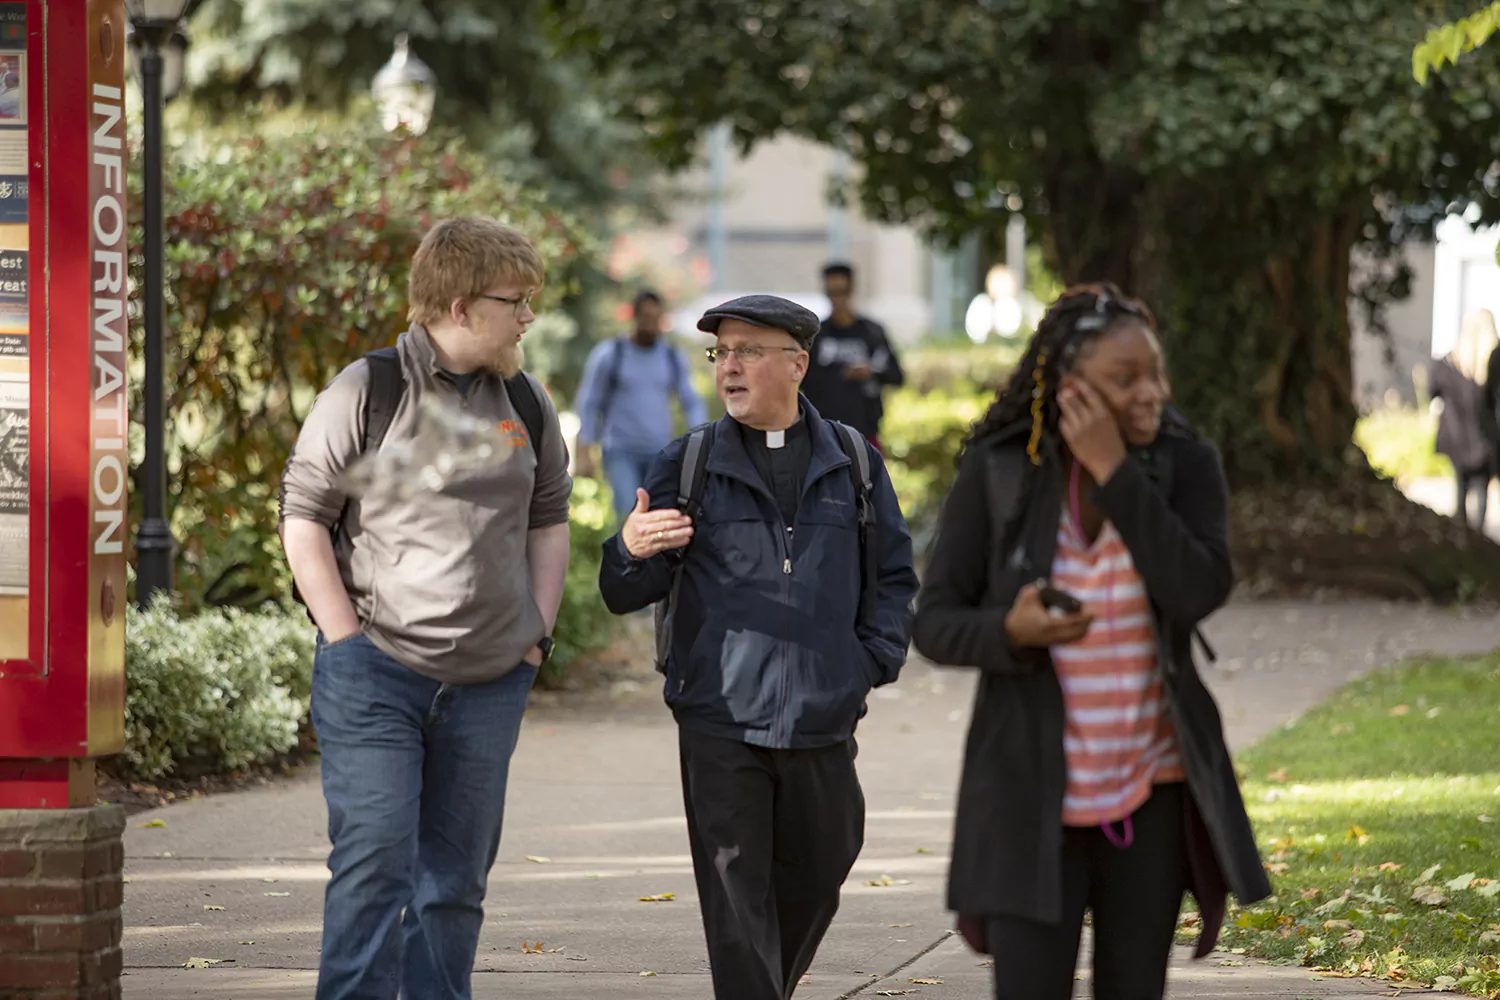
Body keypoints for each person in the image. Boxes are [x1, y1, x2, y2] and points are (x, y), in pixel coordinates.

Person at [912, 284, 1270, 1000]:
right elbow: (933, 621)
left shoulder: (1182, 462)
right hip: (1026, 797)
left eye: (1156, 374)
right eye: (1125, 378)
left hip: (1153, 794)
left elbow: (1199, 587)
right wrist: (1007, 630)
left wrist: (1114, 470)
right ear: (1071, 386)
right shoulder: (1001, 469)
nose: (1151, 394)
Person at [279, 217, 572, 1000]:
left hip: (489, 683)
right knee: (375, 867)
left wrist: (535, 636)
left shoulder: (526, 401)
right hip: (376, 675)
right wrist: (345, 642)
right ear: (460, 305)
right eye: (516, 301)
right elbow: (303, 516)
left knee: (453, 886)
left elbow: (548, 519)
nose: (527, 317)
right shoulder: (368, 389)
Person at [598, 294, 919, 1000]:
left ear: (797, 364)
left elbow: (894, 578)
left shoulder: (853, 463)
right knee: (737, 908)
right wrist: (626, 549)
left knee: (822, 869)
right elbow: (626, 589)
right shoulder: (688, 464)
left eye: (748, 351)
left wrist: (867, 664)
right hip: (719, 719)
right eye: (721, 353)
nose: (729, 367)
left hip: (823, 716)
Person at [573, 289, 708, 521]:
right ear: (634, 317)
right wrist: (586, 445)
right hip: (620, 451)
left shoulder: (671, 357)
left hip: (659, 451)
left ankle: (652, 559)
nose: (649, 325)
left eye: (655, 318)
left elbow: (691, 401)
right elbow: (590, 401)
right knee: (628, 512)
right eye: (645, 317)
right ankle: (626, 558)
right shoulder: (611, 354)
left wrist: (701, 438)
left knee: (658, 516)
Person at [800, 262, 905, 448]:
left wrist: (870, 372)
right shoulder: (816, 336)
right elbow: (800, 380)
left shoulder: (872, 333)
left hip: (865, 432)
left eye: (842, 292)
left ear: (852, 290)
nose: (837, 299)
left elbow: (897, 376)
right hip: (822, 433)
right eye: (832, 293)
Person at [1422, 310, 1498, 531]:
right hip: (1484, 436)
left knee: (1461, 488)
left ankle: (1463, 533)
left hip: (1456, 437)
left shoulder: (1448, 364)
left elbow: (1431, 392)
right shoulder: (1492, 365)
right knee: (1482, 489)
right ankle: (1477, 535)